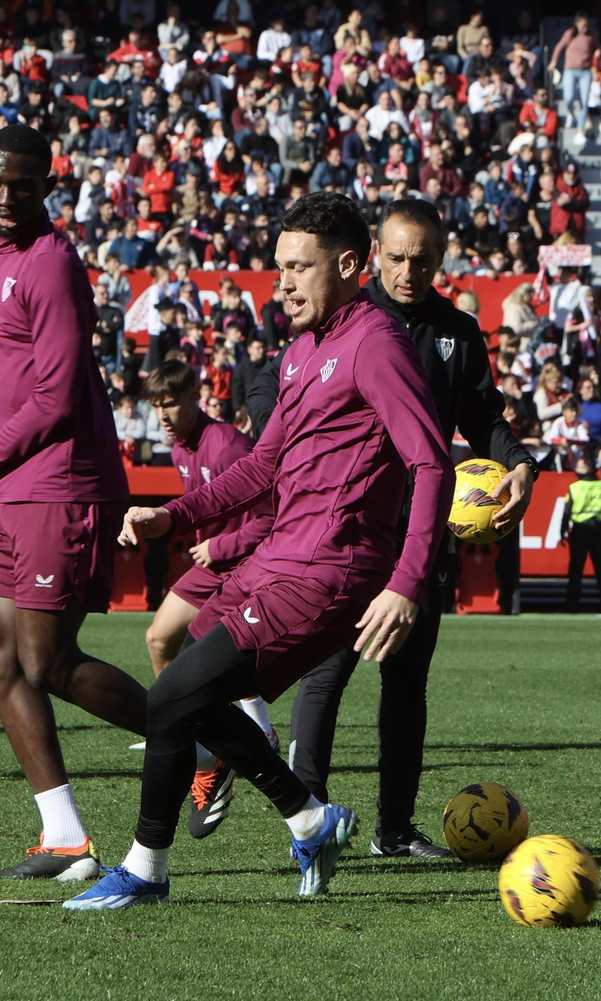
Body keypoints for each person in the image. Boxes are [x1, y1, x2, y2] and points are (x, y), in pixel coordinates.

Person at [64, 192, 454, 910]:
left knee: (173, 696)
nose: (285, 284)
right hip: (278, 559)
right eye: (280, 268)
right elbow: (259, 469)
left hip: (329, 572)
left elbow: (432, 465)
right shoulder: (302, 352)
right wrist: (170, 518)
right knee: (180, 699)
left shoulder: (376, 344)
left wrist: (405, 582)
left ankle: (148, 868)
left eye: (299, 268)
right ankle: (308, 816)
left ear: (347, 265)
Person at [0, 125, 145, 881]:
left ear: (48, 183)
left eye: (24, 184)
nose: (8, 198)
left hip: (61, 481)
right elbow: (8, 376)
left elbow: (58, 393)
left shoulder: (53, 265)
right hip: (15, 483)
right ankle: (65, 835)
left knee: (46, 659)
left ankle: (199, 740)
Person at [266, 198, 536, 860]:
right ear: (373, 256)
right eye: (396, 258)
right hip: (346, 533)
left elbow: (483, 416)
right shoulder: (343, 322)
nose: (409, 271)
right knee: (324, 676)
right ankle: (307, 822)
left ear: (440, 260)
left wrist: (519, 462)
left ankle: (393, 829)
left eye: (423, 260)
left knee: (405, 687)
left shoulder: (458, 331)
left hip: (420, 536)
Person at [134, 360, 275, 837]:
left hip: (240, 562)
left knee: (214, 654)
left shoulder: (230, 444)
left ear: (197, 395)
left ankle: (226, 740)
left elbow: (271, 515)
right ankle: (197, 739)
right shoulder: (180, 447)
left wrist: (222, 546)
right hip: (209, 564)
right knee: (158, 640)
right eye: (157, 407)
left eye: (171, 403)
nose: (165, 416)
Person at [558, 454, 601, 612]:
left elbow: (566, 512)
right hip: (600, 531)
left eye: (579, 466)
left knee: (576, 569)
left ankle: (571, 605)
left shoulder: (575, 487)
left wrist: (562, 530)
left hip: (580, 531)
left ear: (587, 469)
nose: (576, 469)